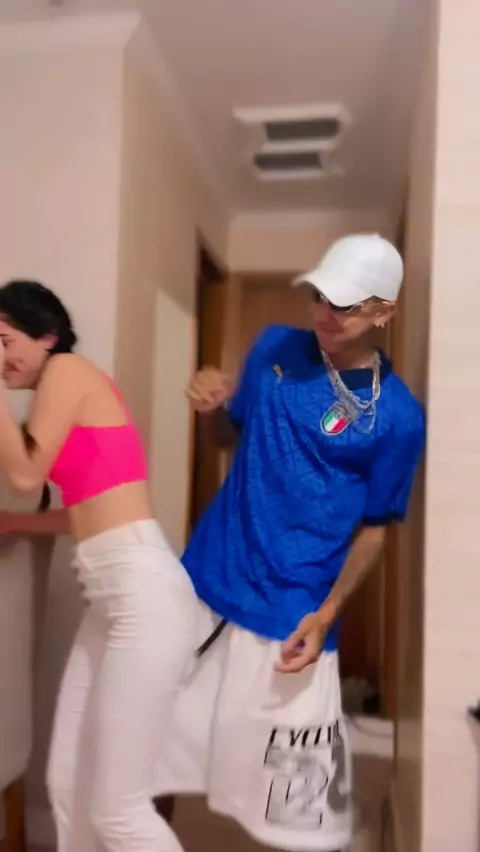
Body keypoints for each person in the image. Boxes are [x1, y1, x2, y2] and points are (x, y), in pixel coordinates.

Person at [152, 234, 426, 852]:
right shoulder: (274, 346)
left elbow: (377, 527)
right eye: (319, 295)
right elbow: (227, 439)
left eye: (345, 304)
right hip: (209, 581)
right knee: (158, 751)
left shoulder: (400, 416)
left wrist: (328, 612)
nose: (325, 313)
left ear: (384, 311)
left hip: (296, 613)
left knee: (301, 808)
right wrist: (212, 406)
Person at [0, 280, 198, 852]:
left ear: (47, 337)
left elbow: (24, 475)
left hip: (143, 593)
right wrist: (11, 525)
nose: (2, 356)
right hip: (113, 598)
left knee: (118, 809)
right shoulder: (61, 390)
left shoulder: (67, 371)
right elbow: (81, 513)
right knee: (68, 786)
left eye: (5, 341)